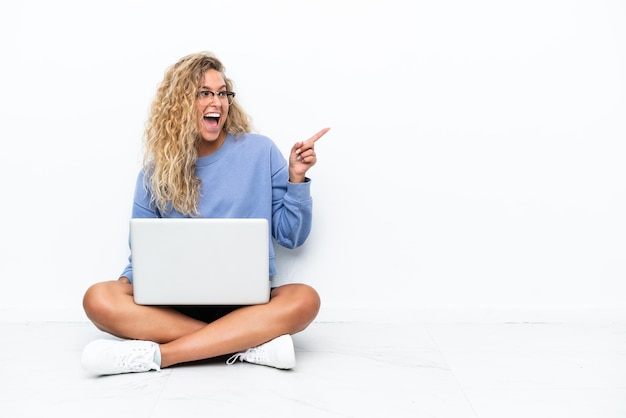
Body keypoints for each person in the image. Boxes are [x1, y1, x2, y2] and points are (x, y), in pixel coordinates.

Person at [81, 51, 329, 375]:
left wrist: (296, 178)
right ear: (181, 103)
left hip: (246, 304)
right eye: (204, 93)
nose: (217, 102)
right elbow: (141, 256)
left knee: (305, 299)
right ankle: (247, 345)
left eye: (222, 93)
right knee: (98, 298)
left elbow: (291, 237)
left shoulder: (261, 151)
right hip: (173, 307)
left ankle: (161, 356)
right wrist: (125, 292)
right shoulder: (154, 174)